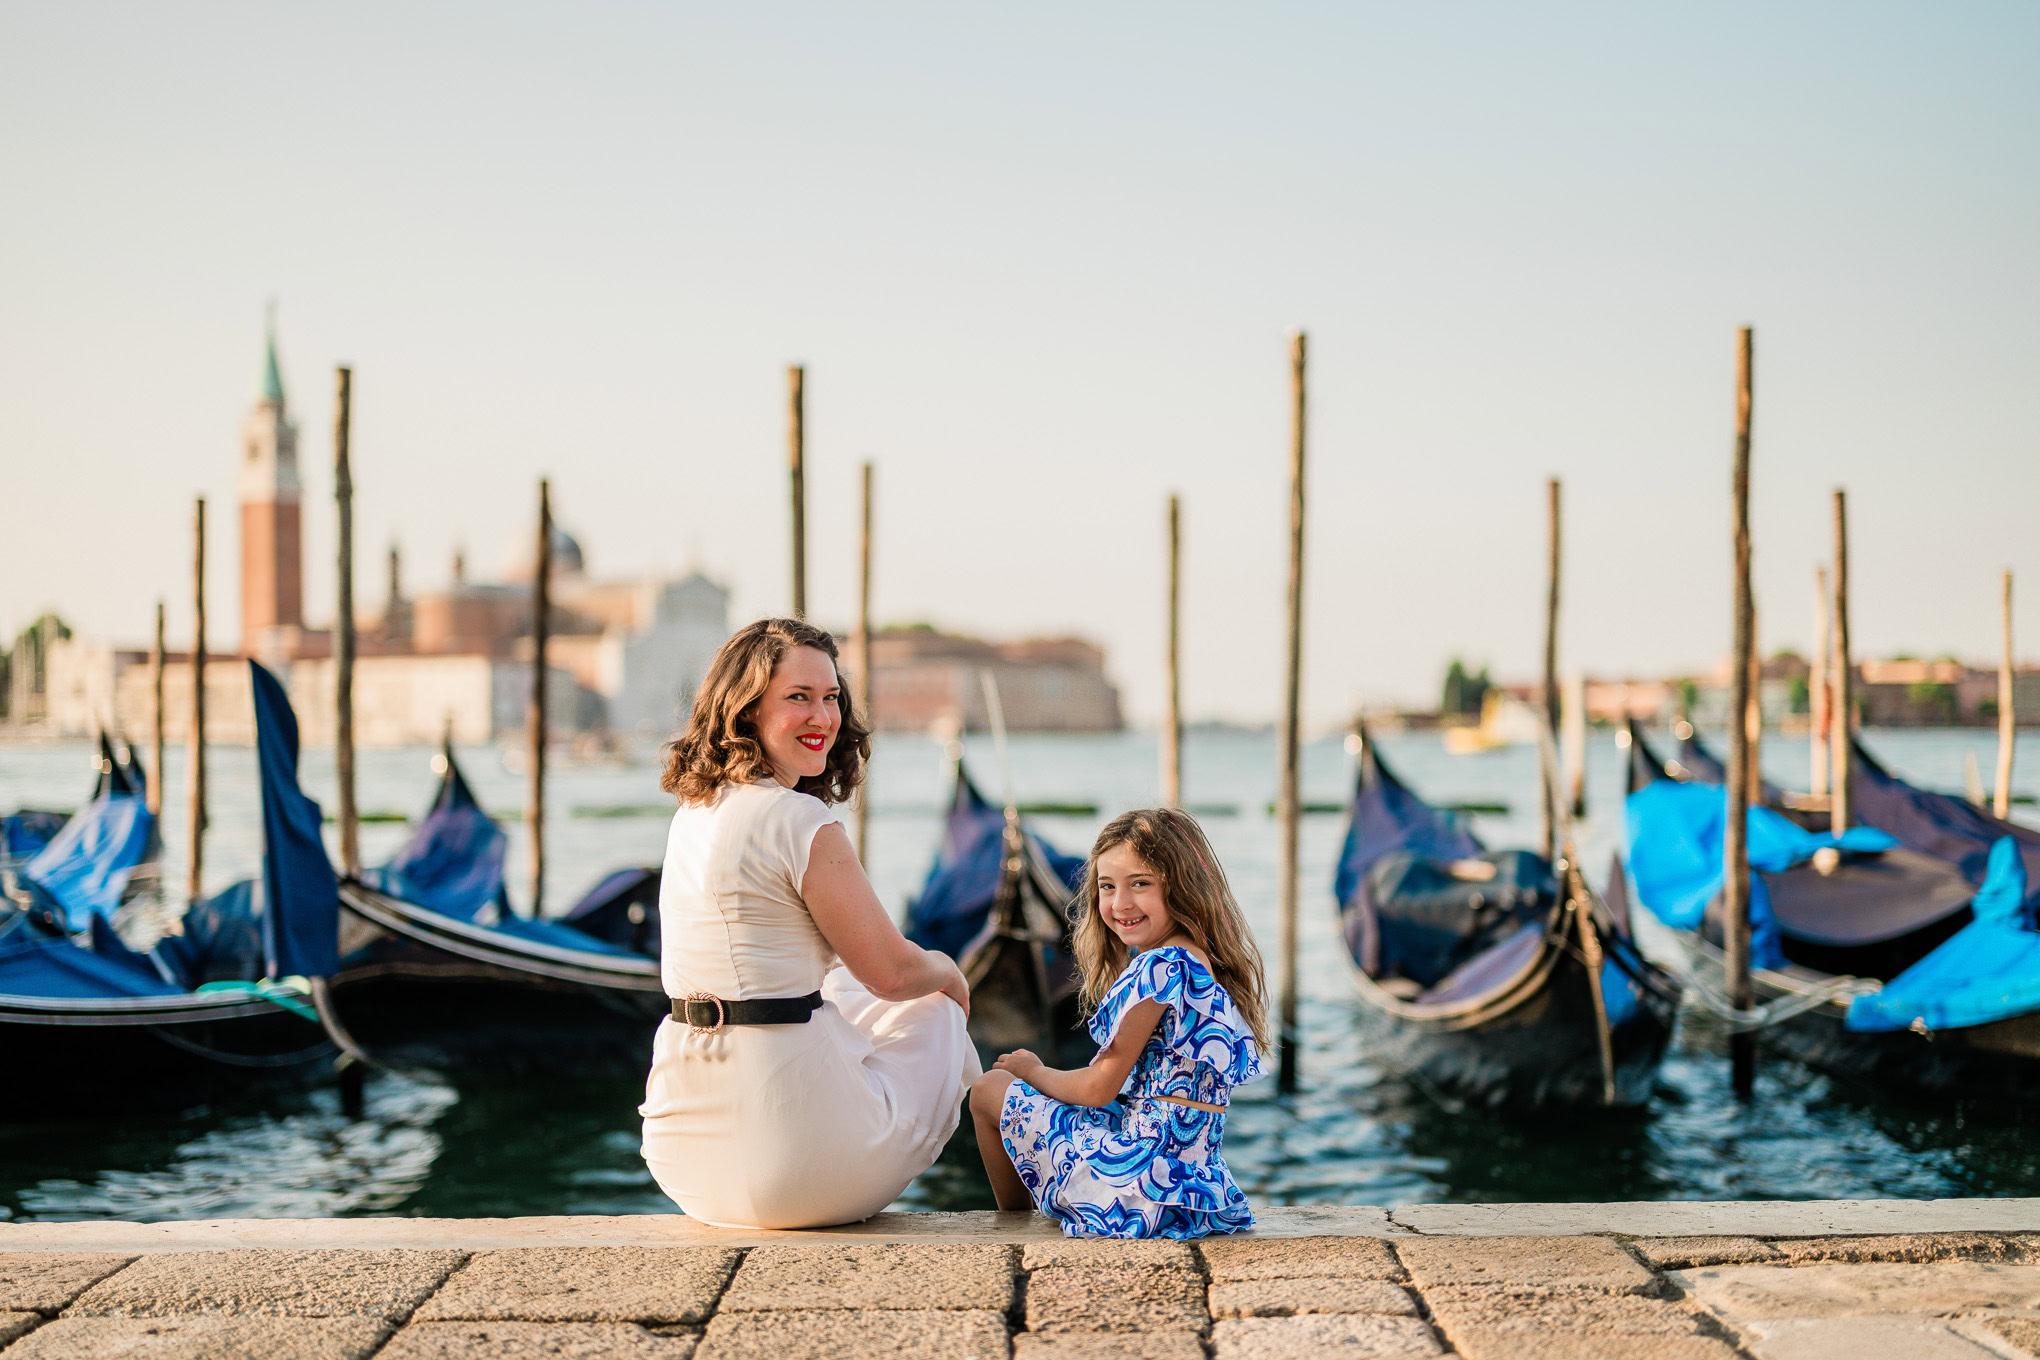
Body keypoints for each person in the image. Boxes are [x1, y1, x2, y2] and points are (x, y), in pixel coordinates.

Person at [639, 618, 980, 1229]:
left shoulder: (692, 812)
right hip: (797, 1168)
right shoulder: (800, 821)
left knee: (839, 988)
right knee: (936, 1008)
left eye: (831, 697)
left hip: (687, 1167)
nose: (822, 716)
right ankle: (1022, 1162)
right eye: (798, 697)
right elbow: (892, 972)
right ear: (745, 711)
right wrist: (948, 971)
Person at [968, 807, 1269, 1238]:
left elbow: (1098, 1088)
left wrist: (1032, 1071)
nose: (1120, 903)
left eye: (1140, 884)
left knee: (987, 1090)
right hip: (1192, 1193)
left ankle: (1016, 1226)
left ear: (1181, 887)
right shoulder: (1203, 963)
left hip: (1136, 1188)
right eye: (1107, 887)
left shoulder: (1158, 969)